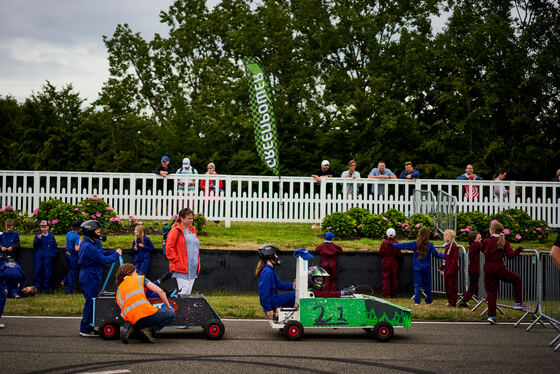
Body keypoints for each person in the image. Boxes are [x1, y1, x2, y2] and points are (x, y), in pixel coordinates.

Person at [77, 220, 122, 337]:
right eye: (98, 231)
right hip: (89, 275)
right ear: (91, 232)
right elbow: (102, 259)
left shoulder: (93, 243)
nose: (100, 233)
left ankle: (90, 326)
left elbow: (101, 253)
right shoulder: (87, 246)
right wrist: (116, 255)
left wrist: (114, 251)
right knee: (90, 302)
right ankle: (85, 328)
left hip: (93, 274)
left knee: (93, 301)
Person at [116, 263, 175, 344]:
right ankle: (150, 330)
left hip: (130, 318)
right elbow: (160, 291)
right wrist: (168, 306)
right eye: (135, 272)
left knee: (138, 321)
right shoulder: (139, 279)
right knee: (171, 313)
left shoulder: (119, 289)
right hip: (145, 314)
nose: (137, 273)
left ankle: (133, 329)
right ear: (130, 273)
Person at [482, 221, 528, 324]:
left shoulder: (486, 241)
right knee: (517, 279)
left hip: (488, 269)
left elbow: (483, 248)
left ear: (491, 230)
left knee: (491, 293)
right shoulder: (503, 242)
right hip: (499, 268)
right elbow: (510, 255)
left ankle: (491, 316)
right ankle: (518, 302)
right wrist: (519, 249)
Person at [391, 227, 444, 305]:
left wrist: (393, 245)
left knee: (417, 285)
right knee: (428, 285)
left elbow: (404, 245)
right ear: (427, 235)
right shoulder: (430, 244)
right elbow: (436, 255)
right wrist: (446, 256)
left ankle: (417, 301)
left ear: (419, 234)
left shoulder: (415, 243)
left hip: (417, 267)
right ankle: (428, 301)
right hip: (427, 267)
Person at [165, 208, 200, 296]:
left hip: (192, 267)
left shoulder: (192, 230)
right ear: (182, 218)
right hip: (181, 267)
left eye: (192, 218)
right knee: (184, 290)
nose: (191, 220)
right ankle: (174, 308)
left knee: (188, 293)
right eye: (189, 218)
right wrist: (176, 260)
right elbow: (169, 247)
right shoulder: (175, 230)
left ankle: (184, 309)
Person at [255, 244, 295, 319]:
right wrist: (268, 309)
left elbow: (280, 285)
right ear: (270, 256)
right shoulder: (267, 272)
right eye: (275, 254)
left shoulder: (270, 270)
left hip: (274, 299)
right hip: (272, 301)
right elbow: (263, 293)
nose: (277, 257)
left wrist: (294, 285)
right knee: (296, 296)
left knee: (295, 295)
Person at [307, 160, 339, 229]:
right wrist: (316, 176)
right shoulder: (318, 171)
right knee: (316, 207)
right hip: (318, 192)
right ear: (322, 166)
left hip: (327, 192)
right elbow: (308, 174)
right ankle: (316, 222)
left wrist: (327, 176)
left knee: (326, 207)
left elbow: (336, 175)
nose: (326, 167)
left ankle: (325, 222)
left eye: (327, 165)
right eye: (325, 165)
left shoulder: (330, 171)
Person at [32, 221, 58, 294]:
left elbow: (55, 248)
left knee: (47, 274)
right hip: (39, 258)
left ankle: (46, 290)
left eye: (45, 227)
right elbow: (34, 246)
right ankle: (37, 289)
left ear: (48, 227)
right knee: (37, 272)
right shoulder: (37, 236)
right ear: (40, 228)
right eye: (42, 227)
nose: (43, 229)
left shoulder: (51, 237)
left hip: (48, 259)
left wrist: (51, 256)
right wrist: (37, 239)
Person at [458, 231, 482, 307]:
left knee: (473, 286)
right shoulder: (476, 245)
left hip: (472, 268)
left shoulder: (472, 245)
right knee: (473, 286)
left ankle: (465, 300)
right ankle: (464, 300)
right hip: (475, 269)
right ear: (474, 239)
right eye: (479, 238)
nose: (481, 239)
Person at [379, 228, 401, 298]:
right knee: (394, 278)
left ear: (387, 234)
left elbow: (381, 252)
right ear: (394, 234)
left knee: (386, 278)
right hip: (394, 262)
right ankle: (394, 294)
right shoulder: (396, 243)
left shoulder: (384, 242)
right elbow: (399, 254)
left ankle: (386, 294)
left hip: (386, 261)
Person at [61, 220, 81, 295]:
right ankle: (69, 291)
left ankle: (64, 281)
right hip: (73, 255)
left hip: (67, 253)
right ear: (78, 228)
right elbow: (76, 248)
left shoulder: (68, 233)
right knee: (73, 273)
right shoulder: (76, 236)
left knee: (71, 270)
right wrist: (81, 244)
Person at [442, 230, 459, 307]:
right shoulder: (447, 246)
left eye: (446, 236)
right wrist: (443, 266)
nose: (444, 237)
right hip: (447, 269)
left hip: (452, 270)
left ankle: (453, 302)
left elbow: (454, 260)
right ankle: (449, 300)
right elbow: (447, 259)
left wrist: (450, 270)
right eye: (444, 235)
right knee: (447, 286)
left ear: (451, 237)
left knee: (452, 286)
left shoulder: (454, 247)